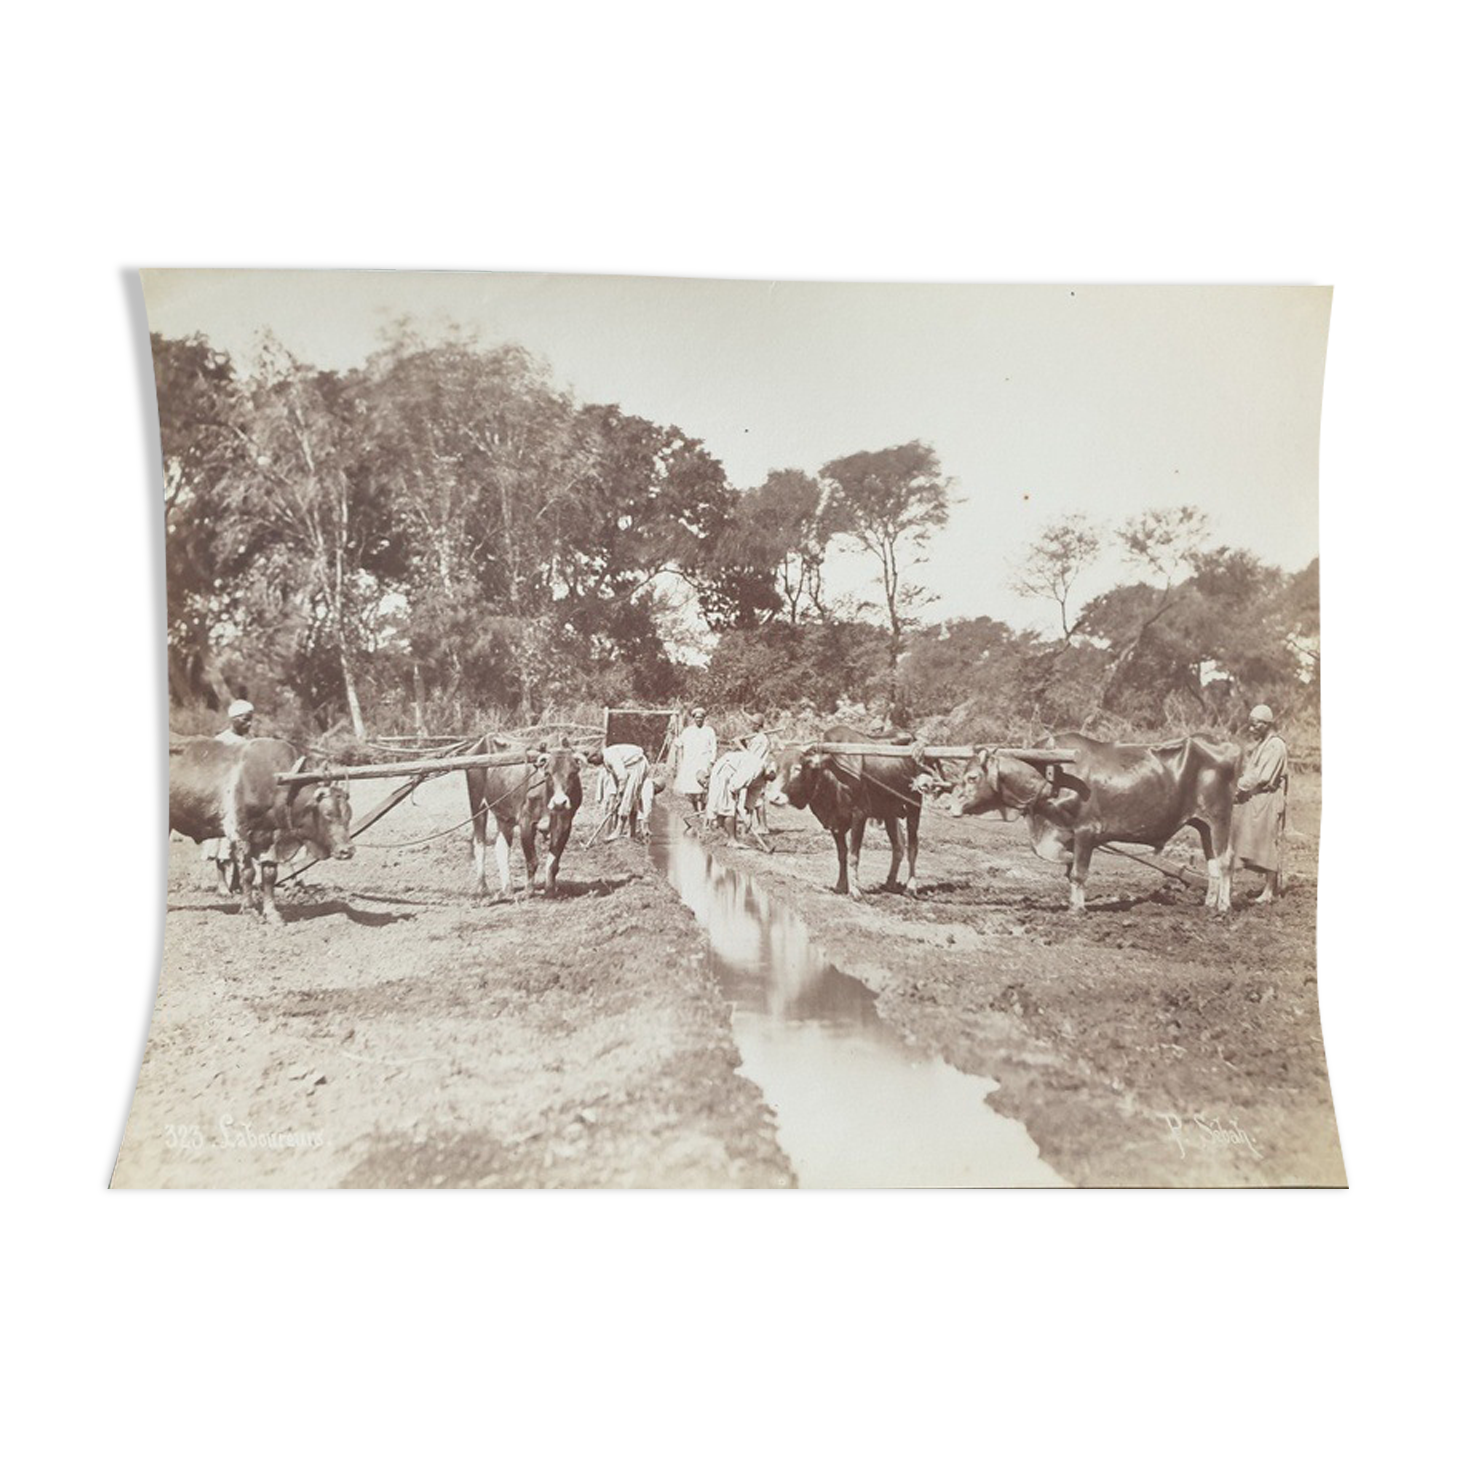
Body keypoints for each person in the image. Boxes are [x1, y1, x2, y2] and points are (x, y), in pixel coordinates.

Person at [1231, 703, 1288, 905]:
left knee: (1269, 841)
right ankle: (1266, 888)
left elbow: (1262, 777)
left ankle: (1270, 891)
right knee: (1255, 839)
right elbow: (1252, 772)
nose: (1252, 729)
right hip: (1258, 798)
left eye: (1255, 725)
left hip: (1269, 798)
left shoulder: (1276, 746)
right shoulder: (1262, 745)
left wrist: (1237, 786)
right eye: (1251, 725)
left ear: (1266, 724)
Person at [202, 700, 254, 890]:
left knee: (240, 839)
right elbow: (211, 767)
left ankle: (237, 880)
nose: (249, 724)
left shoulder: (249, 743)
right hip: (222, 793)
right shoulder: (221, 740)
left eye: (251, 721)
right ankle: (221, 881)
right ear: (234, 719)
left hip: (241, 795)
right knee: (221, 838)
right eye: (245, 720)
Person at [706, 713, 771, 840]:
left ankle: (760, 827)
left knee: (756, 801)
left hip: (753, 771)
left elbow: (751, 758)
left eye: (752, 724)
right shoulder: (756, 738)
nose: (750, 725)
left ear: (758, 725)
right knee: (746, 802)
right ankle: (741, 829)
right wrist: (743, 743)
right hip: (746, 770)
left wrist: (739, 745)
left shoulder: (761, 740)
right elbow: (747, 757)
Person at [588, 741, 655, 841]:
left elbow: (622, 777)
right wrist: (617, 794)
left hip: (638, 765)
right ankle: (632, 833)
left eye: (593, 761)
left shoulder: (610, 756)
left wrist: (621, 795)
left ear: (596, 755)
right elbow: (616, 778)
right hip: (631, 768)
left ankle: (618, 831)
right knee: (632, 800)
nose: (594, 765)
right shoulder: (605, 761)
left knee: (627, 798)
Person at [671, 707, 717, 812]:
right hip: (690, 763)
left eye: (700, 718)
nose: (698, 720)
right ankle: (696, 809)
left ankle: (703, 809)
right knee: (691, 788)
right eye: (696, 718)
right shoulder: (688, 731)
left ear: (704, 718)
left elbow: (714, 747)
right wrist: (675, 738)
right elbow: (680, 743)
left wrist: (712, 761)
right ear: (693, 719)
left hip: (704, 761)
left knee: (703, 787)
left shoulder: (709, 731)